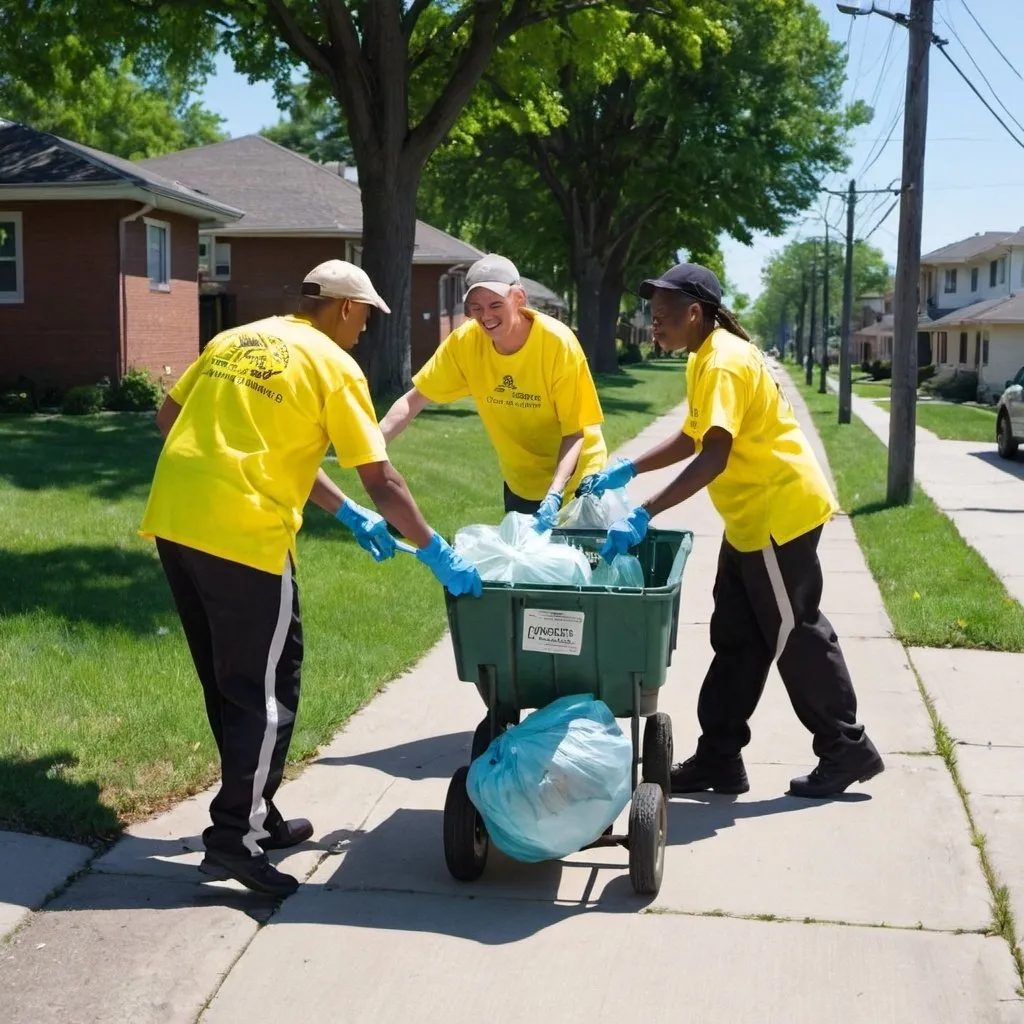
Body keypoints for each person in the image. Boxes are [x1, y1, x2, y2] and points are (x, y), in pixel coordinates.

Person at [139, 260, 481, 897]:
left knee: (231, 680)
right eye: (368, 318)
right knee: (267, 690)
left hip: (175, 523)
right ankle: (232, 842)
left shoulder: (233, 340)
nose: (366, 332)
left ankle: (257, 813)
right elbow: (382, 477)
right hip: (243, 537)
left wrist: (343, 512)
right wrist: (434, 549)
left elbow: (169, 422)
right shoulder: (333, 364)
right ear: (347, 309)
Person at [584, 262, 884, 799]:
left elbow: (714, 457)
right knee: (737, 637)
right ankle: (720, 757)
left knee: (795, 634)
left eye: (662, 317)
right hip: (750, 519)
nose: (654, 326)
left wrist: (645, 511)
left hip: (775, 516)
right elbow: (692, 437)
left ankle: (846, 747)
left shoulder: (722, 361)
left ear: (695, 313)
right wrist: (629, 467)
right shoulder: (706, 356)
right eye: (651, 318)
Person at [380, 253, 607, 532]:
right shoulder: (466, 343)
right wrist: (370, 447)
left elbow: (575, 434)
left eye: (495, 305)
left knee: (580, 570)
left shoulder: (557, 344)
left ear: (519, 298)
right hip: (521, 481)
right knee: (525, 571)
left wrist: (555, 493)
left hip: (579, 479)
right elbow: (413, 401)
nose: (485, 317)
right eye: (476, 308)